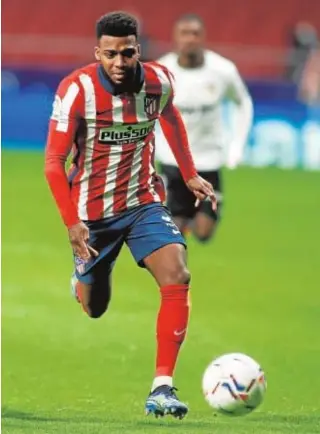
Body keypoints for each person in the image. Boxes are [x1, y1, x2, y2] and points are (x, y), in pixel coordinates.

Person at [44, 11, 216, 419]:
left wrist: (189, 174)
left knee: (178, 274)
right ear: (97, 53)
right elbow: (54, 161)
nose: (119, 63)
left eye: (127, 53)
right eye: (110, 54)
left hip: (144, 202)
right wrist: (72, 222)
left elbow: (170, 116)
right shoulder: (76, 90)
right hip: (92, 215)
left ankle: (162, 388)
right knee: (95, 306)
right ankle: (82, 280)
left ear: (138, 49)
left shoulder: (159, 81)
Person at [156, 14, 253, 242]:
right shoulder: (161, 71)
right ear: (175, 38)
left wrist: (237, 145)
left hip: (209, 158)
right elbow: (145, 112)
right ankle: (181, 219)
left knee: (203, 233)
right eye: (185, 34)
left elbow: (243, 103)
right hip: (173, 160)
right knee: (173, 233)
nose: (190, 39)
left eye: (195, 34)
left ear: (203, 37)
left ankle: (194, 216)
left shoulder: (223, 70)